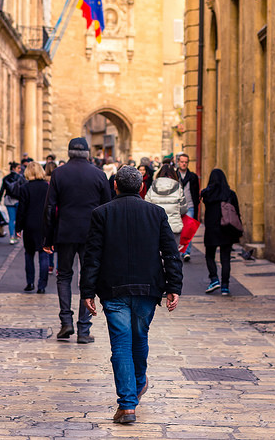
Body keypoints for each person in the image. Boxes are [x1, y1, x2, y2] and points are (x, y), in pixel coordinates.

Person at [80, 166, 183, 424]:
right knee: (139, 338)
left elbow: (92, 256)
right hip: (147, 288)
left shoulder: (101, 214)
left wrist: (87, 291)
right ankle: (136, 387)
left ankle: (128, 403)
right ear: (141, 188)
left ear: (115, 186)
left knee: (121, 345)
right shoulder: (155, 213)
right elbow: (171, 253)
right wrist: (173, 287)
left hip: (113, 288)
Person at [43, 137, 111, 344]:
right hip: (91, 234)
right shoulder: (99, 175)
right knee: (88, 278)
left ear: (70, 152)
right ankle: (83, 328)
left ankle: (66, 321)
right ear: (88, 153)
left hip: (65, 232)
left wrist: (48, 237)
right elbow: (107, 208)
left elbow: (49, 208)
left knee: (64, 275)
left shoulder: (59, 173)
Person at [201, 168, 242, 296]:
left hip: (211, 229)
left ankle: (214, 279)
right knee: (225, 259)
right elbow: (237, 212)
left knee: (209, 256)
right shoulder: (230, 194)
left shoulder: (207, 194)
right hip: (226, 229)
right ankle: (225, 286)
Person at [16, 162, 50, 293]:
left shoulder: (25, 188)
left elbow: (22, 209)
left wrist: (18, 228)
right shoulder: (47, 187)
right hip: (43, 224)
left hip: (29, 225)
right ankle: (42, 286)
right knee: (44, 255)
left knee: (29, 254)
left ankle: (30, 282)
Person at [145, 164, 187, 245]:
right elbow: (183, 209)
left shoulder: (153, 187)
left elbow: (147, 206)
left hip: (156, 226)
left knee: (157, 253)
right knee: (173, 254)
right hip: (174, 226)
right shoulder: (178, 187)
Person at [176, 153, 200, 262]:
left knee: (188, 229)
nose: (184, 164)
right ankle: (178, 250)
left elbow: (196, 193)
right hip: (176, 206)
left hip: (190, 205)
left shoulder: (193, 177)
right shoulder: (174, 175)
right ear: (178, 162)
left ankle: (186, 252)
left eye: (186, 162)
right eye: (182, 162)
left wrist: (196, 206)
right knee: (177, 230)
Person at [0, 161, 25, 244]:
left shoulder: (6, 178)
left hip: (8, 200)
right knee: (17, 219)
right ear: (14, 168)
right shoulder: (21, 178)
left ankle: (11, 237)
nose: (20, 170)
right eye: (18, 168)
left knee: (11, 219)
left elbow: (2, 190)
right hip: (18, 200)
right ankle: (16, 236)